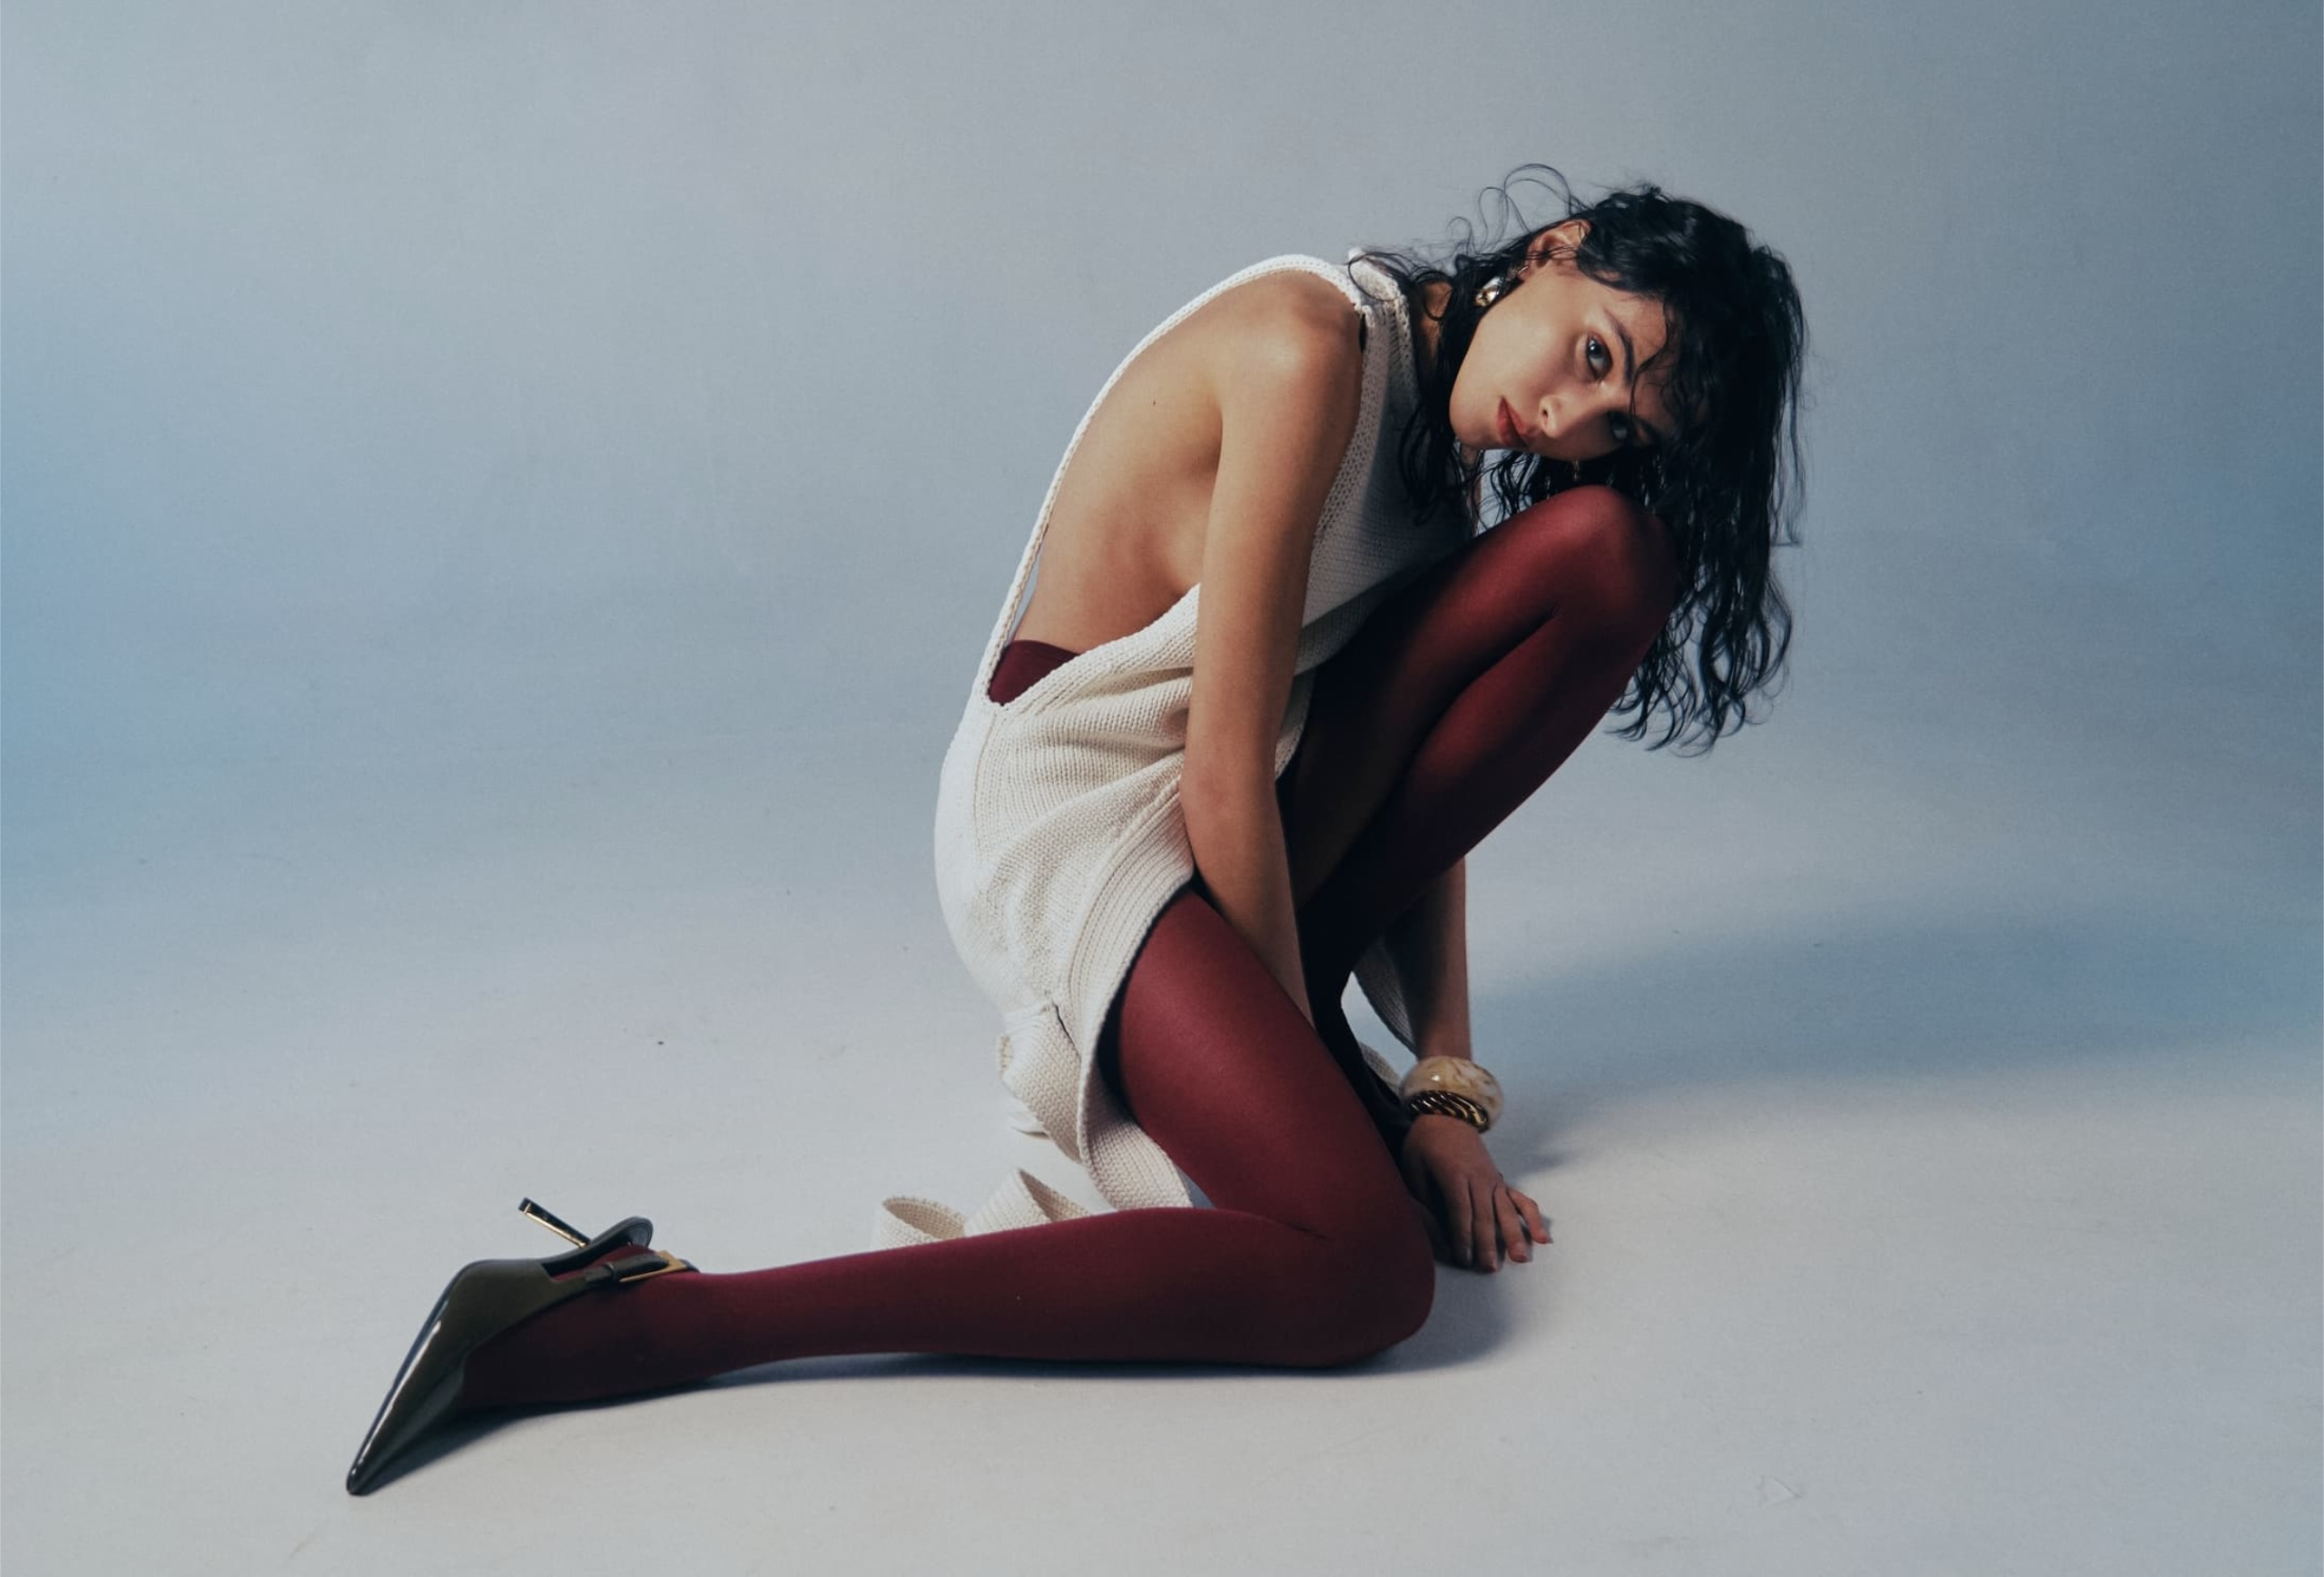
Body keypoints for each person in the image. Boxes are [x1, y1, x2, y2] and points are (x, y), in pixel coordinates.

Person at [347, 166, 1807, 1494]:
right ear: (1555, 250)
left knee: (1610, 553)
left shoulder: (1449, 454)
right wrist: (1328, 1080)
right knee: (1364, 1271)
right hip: (1072, 815)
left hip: (1226, 819)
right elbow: (1223, 775)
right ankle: (652, 1321)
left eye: (1614, 422)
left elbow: (1417, 779)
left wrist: (1438, 1083)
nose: (1564, 418)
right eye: (1595, 355)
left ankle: (1297, 1070)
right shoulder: (1315, 349)